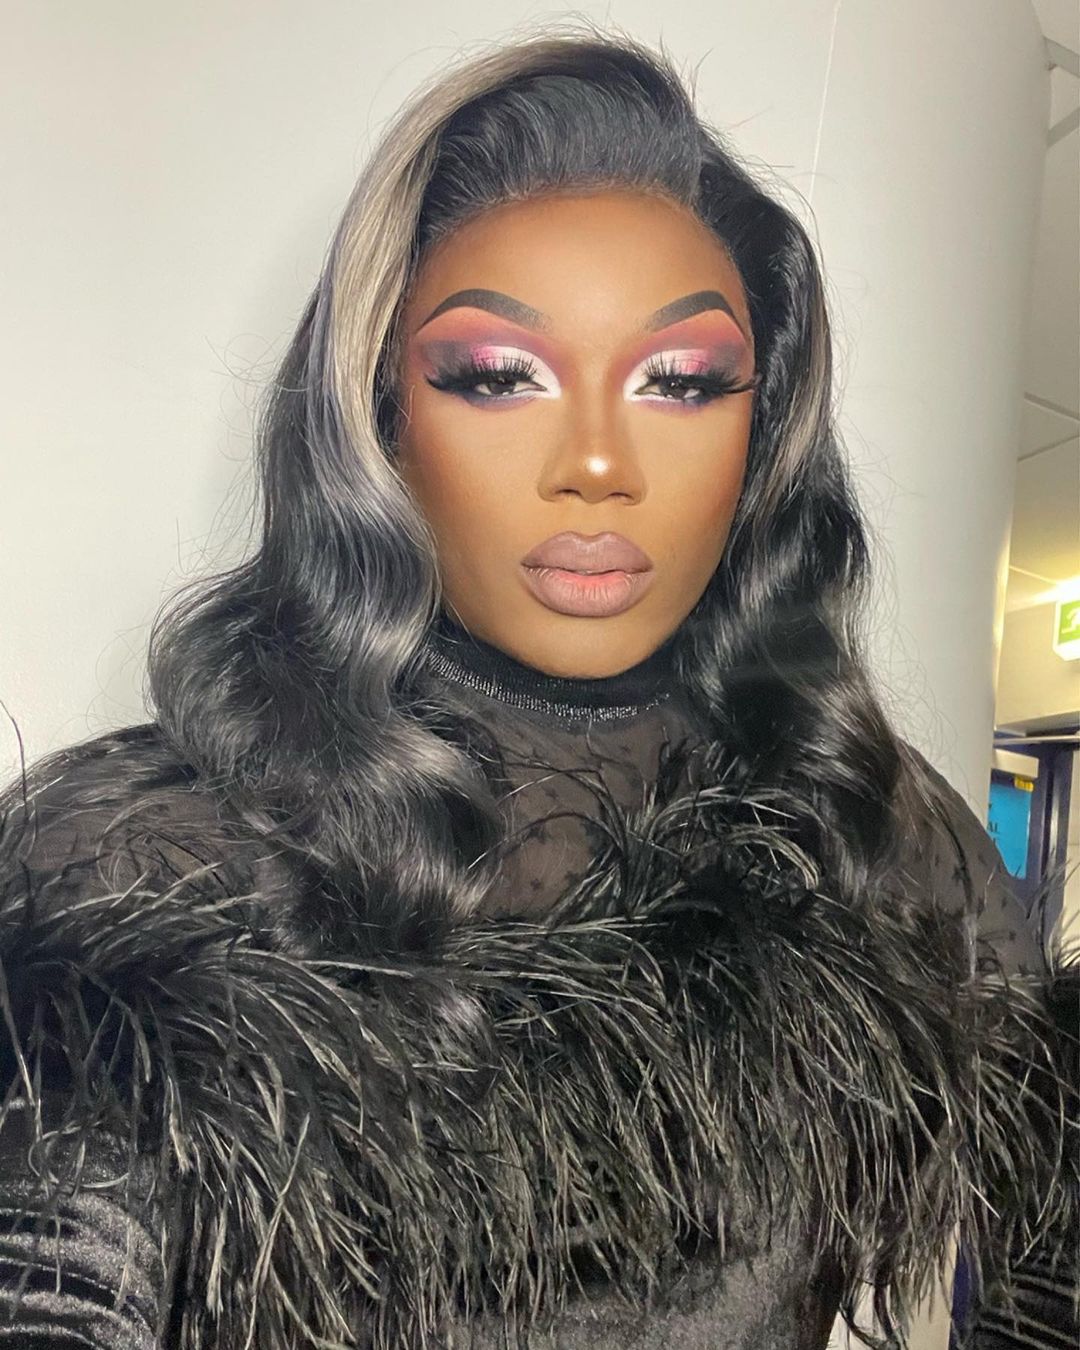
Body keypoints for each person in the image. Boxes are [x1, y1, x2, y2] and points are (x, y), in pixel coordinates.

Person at [0, 27, 1074, 1350]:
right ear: (380, 414)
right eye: (499, 376)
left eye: (680, 382)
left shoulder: (883, 843)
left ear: (762, 425)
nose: (598, 464)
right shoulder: (131, 869)